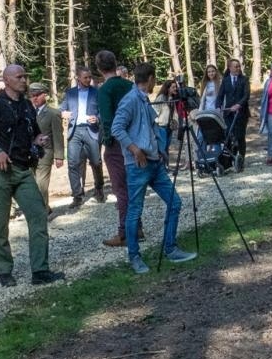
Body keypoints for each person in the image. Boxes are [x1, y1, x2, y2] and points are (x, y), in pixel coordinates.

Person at [0, 63, 64, 287]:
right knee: (0, 223)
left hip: (23, 170)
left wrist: (38, 141)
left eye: (25, 76)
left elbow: (33, 134)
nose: (24, 80)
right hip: (1, 172)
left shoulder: (27, 106)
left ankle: (40, 271)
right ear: (7, 81)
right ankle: (5, 271)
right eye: (19, 77)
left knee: (38, 216)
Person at [111, 63, 196, 274]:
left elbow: (148, 128)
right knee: (134, 212)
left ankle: (170, 247)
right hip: (138, 165)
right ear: (149, 78)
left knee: (175, 202)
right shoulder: (130, 100)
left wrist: (159, 148)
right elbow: (116, 128)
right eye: (154, 79)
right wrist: (134, 150)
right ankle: (134, 256)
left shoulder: (143, 99)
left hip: (155, 163)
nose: (154, 84)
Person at [95, 51, 135, 246]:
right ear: (115, 64)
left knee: (121, 188)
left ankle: (126, 232)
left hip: (117, 144)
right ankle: (136, 227)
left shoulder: (104, 90)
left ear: (99, 68)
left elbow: (108, 119)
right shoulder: (129, 85)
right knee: (132, 186)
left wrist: (108, 141)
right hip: (134, 140)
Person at [61, 68, 105, 209]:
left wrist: (97, 118)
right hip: (74, 131)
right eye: (85, 77)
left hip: (91, 130)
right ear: (78, 78)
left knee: (96, 161)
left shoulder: (97, 92)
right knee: (73, 163)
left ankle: (99, 188)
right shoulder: (70, 93)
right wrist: (64, 113)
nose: (88, 80)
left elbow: (103, 112)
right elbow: (61, 109)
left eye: (89, 77)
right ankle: (77, 195)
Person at [218, 57, 251, 171]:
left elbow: (246, 95)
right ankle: (228, 161)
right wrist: (218, 107)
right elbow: (220, 95)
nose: (237, 68)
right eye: (235, 66)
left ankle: (240, 160)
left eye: (238, 66)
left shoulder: (244, 79)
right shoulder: (225, 80)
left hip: (241, 113)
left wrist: (239, 105)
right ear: (230, 68)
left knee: (240, 137)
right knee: (228, 137)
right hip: (228, 114)